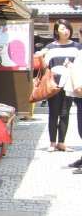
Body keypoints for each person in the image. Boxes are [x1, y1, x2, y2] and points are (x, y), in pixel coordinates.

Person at [37, 19, 79, 152]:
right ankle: (52, 143)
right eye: (62, 29)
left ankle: (62, 142)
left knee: (65, 113)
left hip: (69, 84)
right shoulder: (50, 47)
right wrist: (40, 56)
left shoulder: (77, 47)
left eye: (67, 28)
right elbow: (43, 63)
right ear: (56, 31)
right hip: (53, 83)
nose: (65, 31)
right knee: (53, 113)